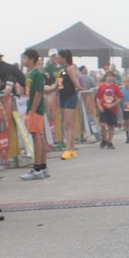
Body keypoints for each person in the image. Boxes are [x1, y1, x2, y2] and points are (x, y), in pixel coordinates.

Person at [21, 47, 51, 177]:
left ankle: (37, 167)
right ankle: (42, 167)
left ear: (31, 59)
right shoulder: (29, 73)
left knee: (36, 137)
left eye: (25, 58)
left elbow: (38, 92)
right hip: (31, 108)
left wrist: (32, 110)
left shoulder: (37, 74)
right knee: (39, 136)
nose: (23, 60)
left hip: (35, 110)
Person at [57, 48, 81, 158]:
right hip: (62, 96)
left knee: (68, 124)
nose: (57, 59)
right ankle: (71, 147)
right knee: (66, 124)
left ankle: (69, 148)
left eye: (59, 57)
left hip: (70, 96)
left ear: (64, 58)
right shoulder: (61, 70)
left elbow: (75, 83)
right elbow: (56, 84)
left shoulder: (70, 68)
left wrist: (80, 87)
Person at [95, 70, 122, 149]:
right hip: (103, 108)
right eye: (108, 76)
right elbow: (98, 97)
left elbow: (119, 98)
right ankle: (104, 139)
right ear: (105, 78)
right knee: (103, 124)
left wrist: (113, 105)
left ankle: (110, 141)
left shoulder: (115, 87)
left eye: (111, 76)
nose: (109, 78)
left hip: (112, 108)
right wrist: (99, 106)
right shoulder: (101, 86)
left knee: (111, 126)